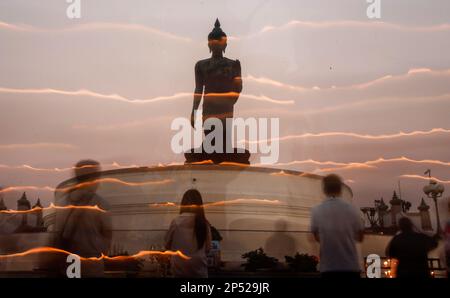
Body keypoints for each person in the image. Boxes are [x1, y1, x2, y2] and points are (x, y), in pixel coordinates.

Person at [189, 19, 243, 162]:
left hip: (226, 105)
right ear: (209, 44)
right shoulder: (201, 65)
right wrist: (194, 111)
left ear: (225, 44)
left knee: (224, 141)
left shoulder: (233, 65)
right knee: (211, 137)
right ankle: (210, 153)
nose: (217, 45)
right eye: (213, 42)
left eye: (220, 42)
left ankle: (221, 155)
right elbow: (198, 89)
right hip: (209, 105)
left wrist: (231, 98)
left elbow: (238, 88)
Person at [54, 159, 112, 277]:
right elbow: (107, 233)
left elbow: (57, 233)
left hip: (69, 260)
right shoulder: (100, 203)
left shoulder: (62, 202)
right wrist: (101, 253)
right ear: (93, 179)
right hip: (91, 262)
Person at [310, 174, 364, 278]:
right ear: (340, 189)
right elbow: (360, 237)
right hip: (351, 267)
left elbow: (316, 236)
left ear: (324, 189)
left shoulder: (317, 210)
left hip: (328, 267)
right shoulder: (353, 210)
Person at [165, 189, 212, 278]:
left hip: (179, 269)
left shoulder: (176, 222)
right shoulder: (204, 223)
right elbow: (208, 248)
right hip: (199, 269)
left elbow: (167, 245)